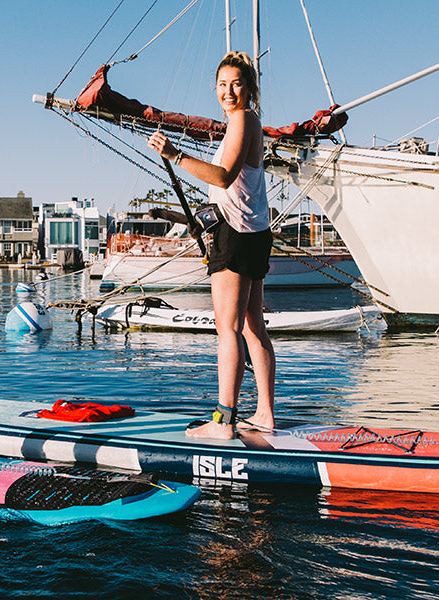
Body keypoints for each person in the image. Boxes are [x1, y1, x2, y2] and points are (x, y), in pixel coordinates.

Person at [147, 51, 276, 439]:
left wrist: (175, 154)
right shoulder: (246, 123)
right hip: (253, 232)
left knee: (228, 329)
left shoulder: (242, 119)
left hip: (236, 236)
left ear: (250, 88)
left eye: (236, 83)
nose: (228, 91)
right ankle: (266, 414)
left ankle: (224, 421)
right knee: (253, 326)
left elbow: (222, 176)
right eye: (222, 84)